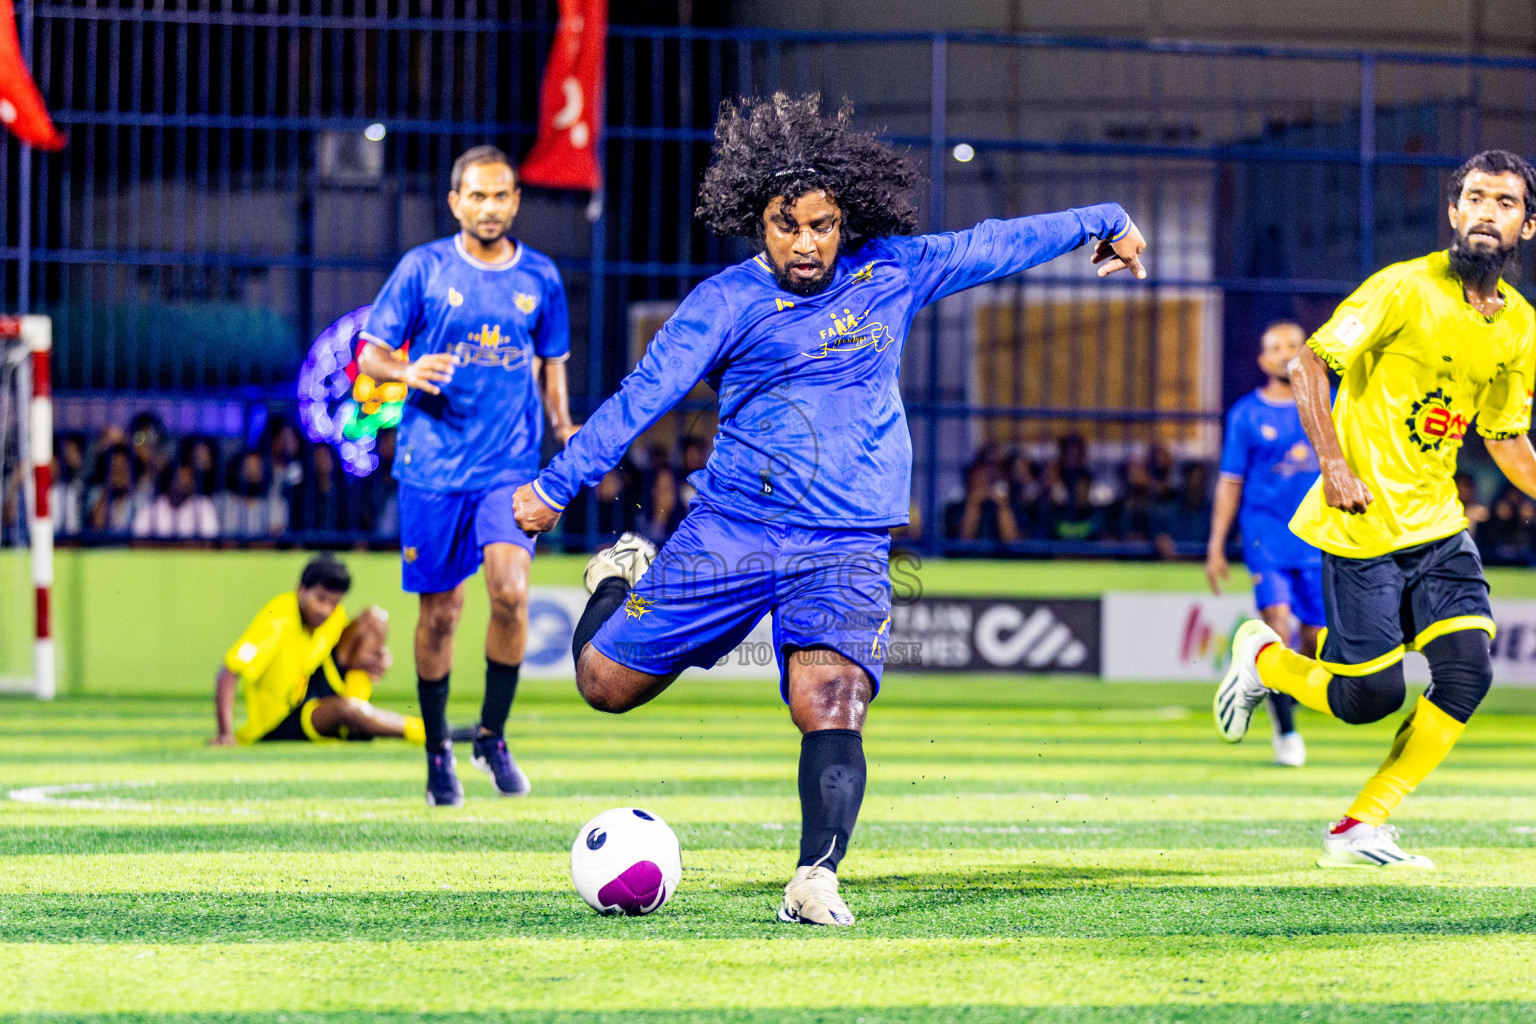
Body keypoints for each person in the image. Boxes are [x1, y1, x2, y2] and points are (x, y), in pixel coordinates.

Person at [511, 93, 1147, 925]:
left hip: (846, 541)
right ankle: (620, 575)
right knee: (603, 685)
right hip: (733, 530)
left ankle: (816, 876)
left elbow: (995, 243)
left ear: (845, 218)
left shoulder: (895, 269)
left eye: (821, 224)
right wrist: (559, 484)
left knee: (833, 698)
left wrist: (1103, 217)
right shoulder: (724, 304)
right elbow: (643, 397)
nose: (805, 242)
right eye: (786, 226)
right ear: (757, 223)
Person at [1215, 150, 1536, 869]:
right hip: (1361, 522)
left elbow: (1507, 438)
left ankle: (1357, 827)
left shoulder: (1520, 327)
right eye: (1475, 198)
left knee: (1467, 673)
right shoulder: (1402, 288)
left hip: (1439, 528)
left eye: (1505, 202)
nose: (1487, 211)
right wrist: (1332, 461)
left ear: (1528, 224)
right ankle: (1263, 657)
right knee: (1369, 699)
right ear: (1453, 214)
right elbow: (1309, 365)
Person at [357, 144, 578, 806]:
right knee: (442, 615)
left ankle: (492, 736)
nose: (489, 207)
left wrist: (564, 431)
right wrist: (404, 371)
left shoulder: (542, 276)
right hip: (431, 467)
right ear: (456, 202)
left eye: (500, 195)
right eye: (475, 196)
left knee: (510, 594)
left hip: (508, 466)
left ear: (515, 201)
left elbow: (551, 364)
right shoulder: (421, 269)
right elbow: (369, 356)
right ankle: (436, 753)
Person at [1206, 321, 1321, 768]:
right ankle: (1286, 732)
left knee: (1312, 642)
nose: (1285, 352)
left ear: (1306, 350)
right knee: (1279, 625)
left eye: (1293, 344)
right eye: (1276, 347)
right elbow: (1230, 484)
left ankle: (1269, 685)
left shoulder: (1328, 404)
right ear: (1263, 360)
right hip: (1265, 536)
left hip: (1318, 540)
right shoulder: (1246, 415)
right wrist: (1216, 545)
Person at [210, 554, 425, 746]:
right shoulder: (276, 622)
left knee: (375, 620)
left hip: (312, 687)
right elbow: (228, 671)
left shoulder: (333, 616)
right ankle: (424, 731)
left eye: (334, 602)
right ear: (301, 589)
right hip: (282, 720)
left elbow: (354, 647)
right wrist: (225, 733)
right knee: (346, 709)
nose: (326, 610)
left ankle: (356, 720)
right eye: (320, 599)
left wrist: (378, 660)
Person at [132, 461, 219, 539]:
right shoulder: (155, 505)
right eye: (180, 476)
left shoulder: (203, 505)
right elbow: (137, 538)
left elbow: (208, 541)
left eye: (188, 477)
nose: (184, 481)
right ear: (169, 480)